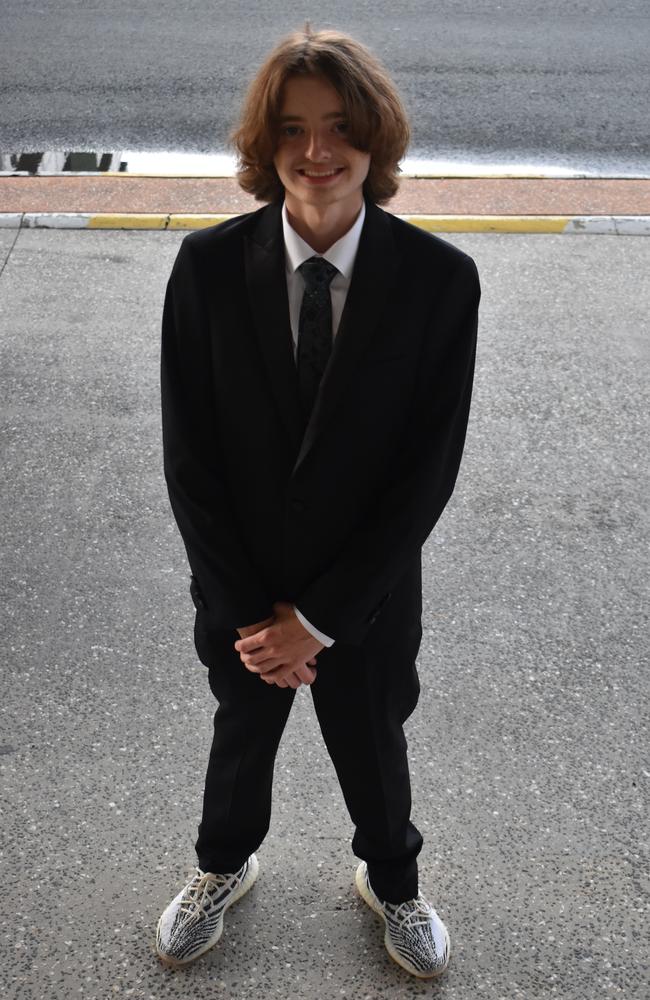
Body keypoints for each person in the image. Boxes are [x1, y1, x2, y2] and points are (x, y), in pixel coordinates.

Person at [155, 25, 480, 979]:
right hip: (242, 593)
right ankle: (222, 866)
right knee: (240, 733)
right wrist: (256, 614)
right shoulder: (208, 269)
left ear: (377, 138)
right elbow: (190, 460)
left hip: (366, 598)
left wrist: (326, 617)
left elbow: (427, 472)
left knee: (373, 742)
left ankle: (394, 882)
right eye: (291, 130)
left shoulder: (438, 281)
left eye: (340, 127)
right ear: (263, 147)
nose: (316, 153)